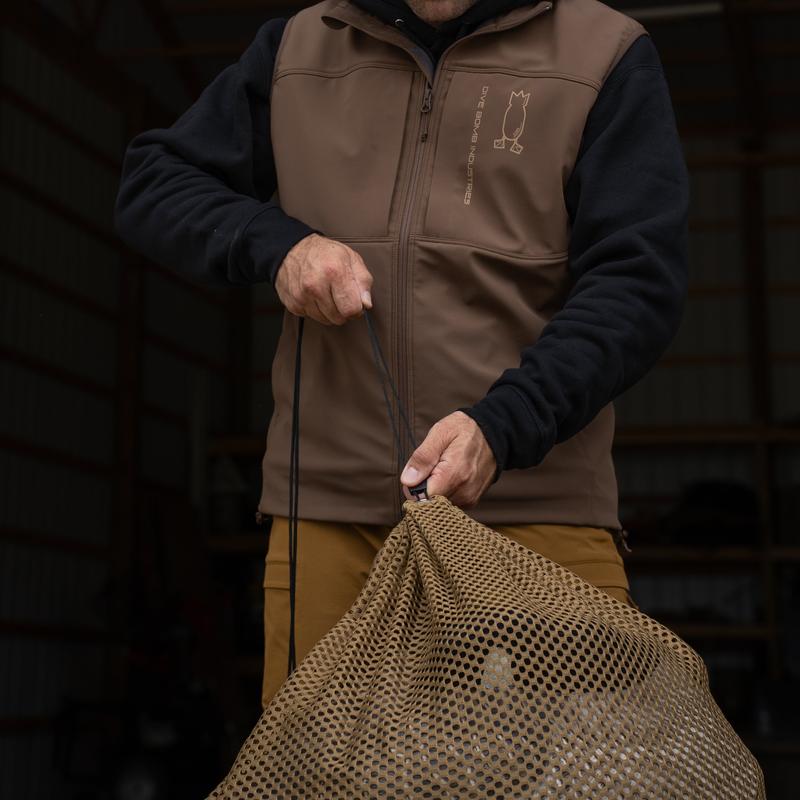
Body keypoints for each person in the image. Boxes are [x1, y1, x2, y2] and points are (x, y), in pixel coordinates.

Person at [114, 0, 689, 708]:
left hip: (539, 507)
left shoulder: (605, 51)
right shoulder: (297, 48)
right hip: (331, 513)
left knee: (568, 761)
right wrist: (279, 245)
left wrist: (503, 426)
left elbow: (637, 284)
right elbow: (153, 181)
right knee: (314, 763)